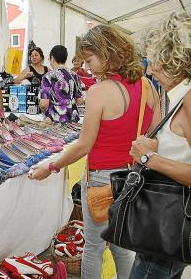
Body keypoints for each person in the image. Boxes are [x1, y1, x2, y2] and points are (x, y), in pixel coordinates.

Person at [28, 25, 161, 279]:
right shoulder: (146, 86)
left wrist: (51, 166)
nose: (88, 68)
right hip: (131, 177)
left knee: (94, 247)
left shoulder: (99, 92)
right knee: (122, 245)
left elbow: (83, 145)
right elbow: (154, 137)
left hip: (101, 180)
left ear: (106, 53)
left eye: (90, 60)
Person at [127, 12, 191, 279]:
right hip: (169, 222)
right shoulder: (179, 96)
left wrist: (149, 158)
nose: (149, 70)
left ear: (174, 59)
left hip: (169, 224)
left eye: (154, 62)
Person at [40, 45, 83, 122]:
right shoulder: (75, 75)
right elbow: (80, 101)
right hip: (73, 119)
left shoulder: (47, 77)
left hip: (54, 121)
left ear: (52, 58)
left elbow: (44, 104)